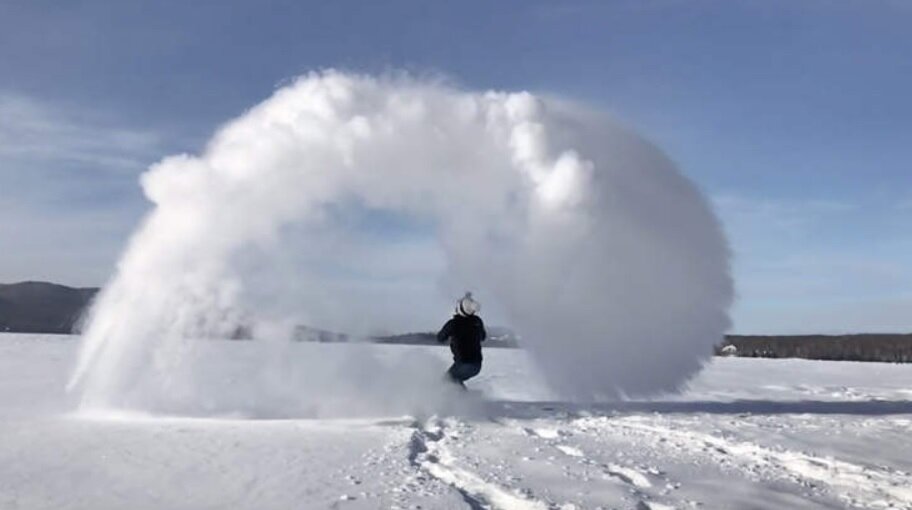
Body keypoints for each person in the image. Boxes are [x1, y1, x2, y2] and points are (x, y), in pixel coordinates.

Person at [437, 292, 486, 388]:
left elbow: (440, 338)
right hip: (477, 366)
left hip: (463, 364)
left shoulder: (454, 323)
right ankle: (465, 399)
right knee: (455, 380)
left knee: (446, 381)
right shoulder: (477, 321)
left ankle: (462, 401)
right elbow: (483, 337)